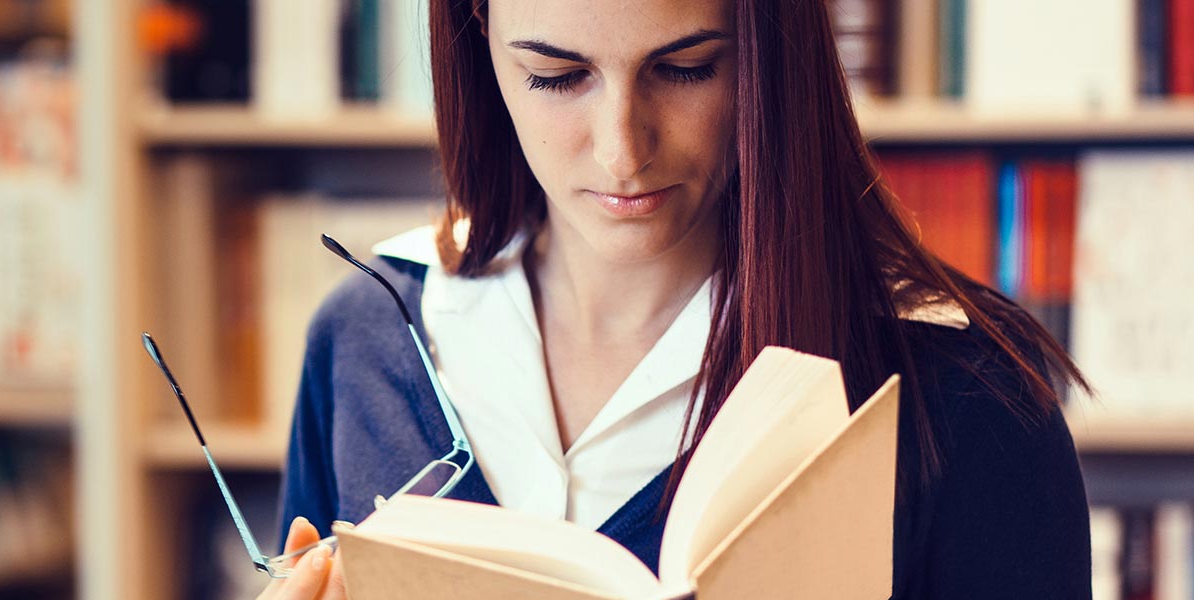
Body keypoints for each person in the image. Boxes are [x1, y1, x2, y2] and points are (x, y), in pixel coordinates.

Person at [259, 0, 1093, 598]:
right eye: (556, 75)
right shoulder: (370, 337)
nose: (623, 150)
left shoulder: (965, 392)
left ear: (768, 55)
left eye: (685, 67)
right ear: (478, 41)